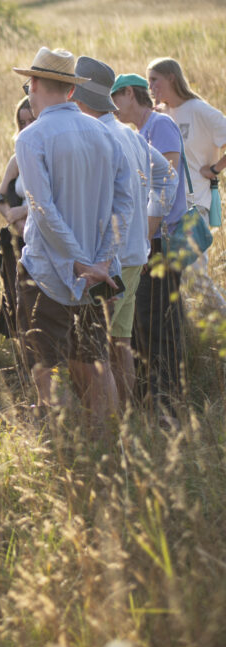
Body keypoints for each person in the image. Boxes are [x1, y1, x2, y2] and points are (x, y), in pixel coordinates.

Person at [12, 48, 133, 432]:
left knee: (45, 369)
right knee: (94, 365)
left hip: (48, 270)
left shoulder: (32, 136)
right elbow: (125, 204)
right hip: (96, 273)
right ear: (70, 89)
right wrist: (101, 260)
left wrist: (81, 261)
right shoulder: (104, 132)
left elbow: (42, 209)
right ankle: (104, 443)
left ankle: (55, 446)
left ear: (33, 85)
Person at [74, 57, 177, 407]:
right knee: (121, 343)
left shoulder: (100, 135)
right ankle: (127, 423)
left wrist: (149, 226)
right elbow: (168, 177)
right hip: (133, 253)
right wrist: (148, 229)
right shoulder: (127, 134)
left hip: (110, 260)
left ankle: (111, 428)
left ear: (79, 96)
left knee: (99, 348)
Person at [110, 74, 187, 413]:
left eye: (115, 98)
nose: (111, 108)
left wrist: (145, 234)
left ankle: (166, 398)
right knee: (142, 320)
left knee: (160, 321)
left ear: (129, 93)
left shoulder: (162, 126)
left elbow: (166, 186)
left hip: (162, 240)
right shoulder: (136, 132)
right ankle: (144, 393)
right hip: (145, 240)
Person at [147, 56, 226, 315]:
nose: (151, 87)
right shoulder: (163, 115)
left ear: (171, 77)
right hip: (171, 209)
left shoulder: (198, 109)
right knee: (182, 280)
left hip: (195, 205)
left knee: (195, 277)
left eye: (154, 81)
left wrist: (214, 169)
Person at [0, 96, 35, 338]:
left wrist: (24, 212)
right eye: (22, 122)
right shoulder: (18, 156)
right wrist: (11, 214)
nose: (27, 126)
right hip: (18, 238)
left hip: (42, 236)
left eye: (32, 119)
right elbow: (0, 196)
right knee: (17, 300)